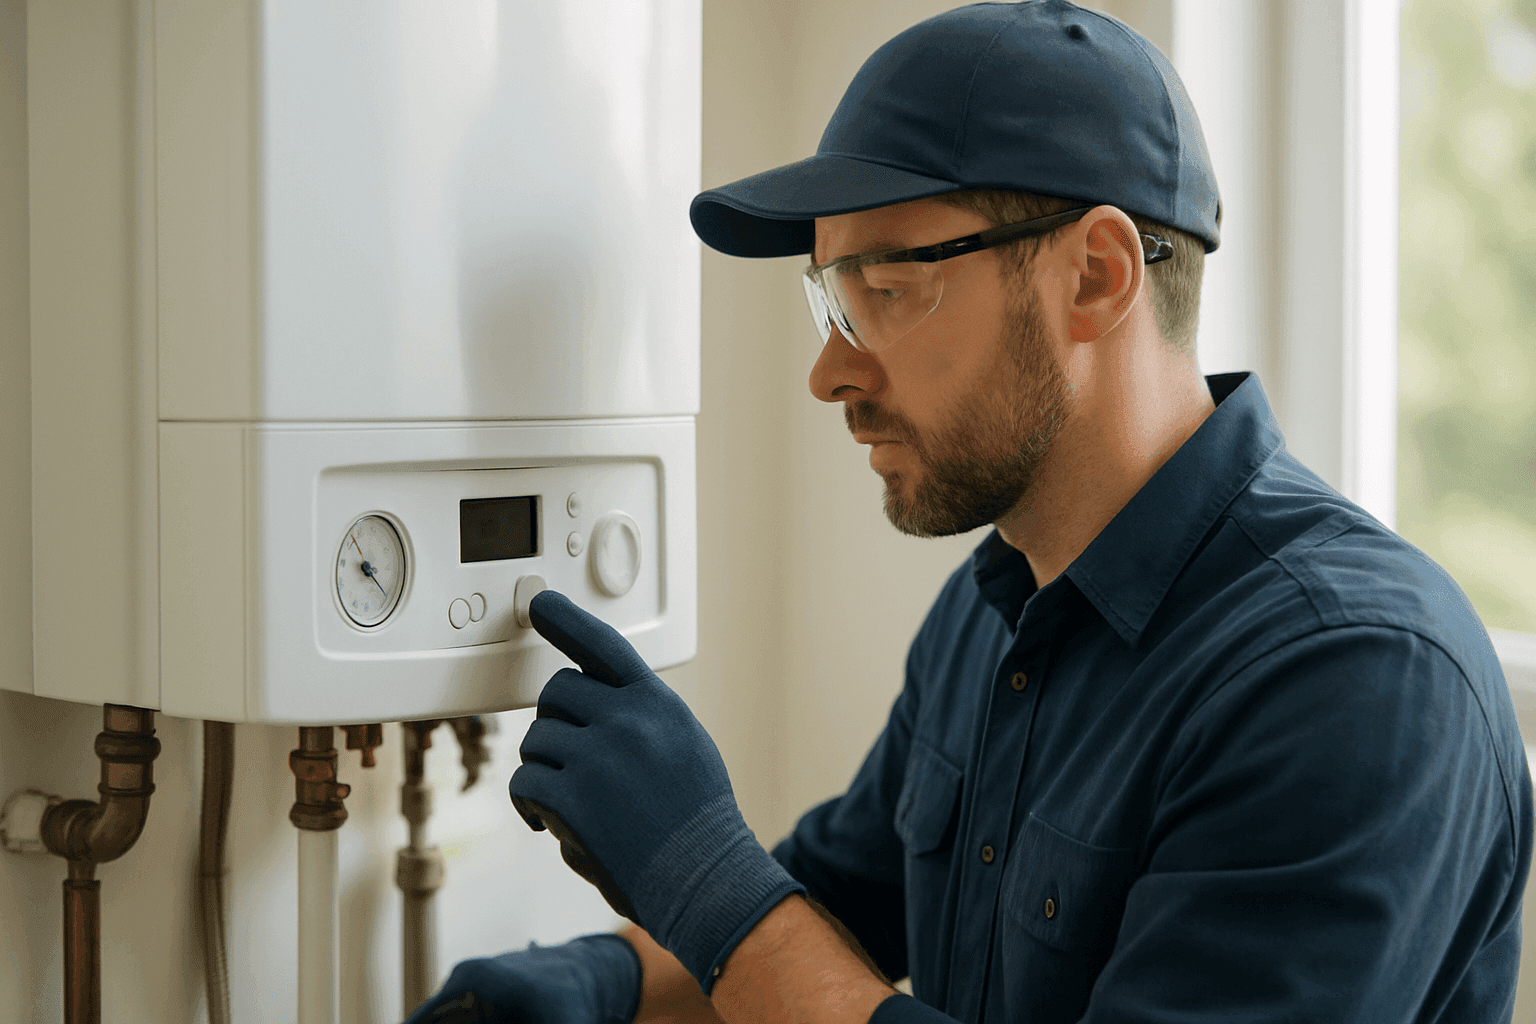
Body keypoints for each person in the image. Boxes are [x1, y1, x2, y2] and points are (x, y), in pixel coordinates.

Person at [407, 2, 1533, 1022]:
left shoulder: (1354, 680)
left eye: (883, 292)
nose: (828, 373)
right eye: (829, 297)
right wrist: (601, 980)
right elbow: (839, 909)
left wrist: (706, 880)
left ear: (1095, 275)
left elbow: (757, 928)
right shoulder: (1001, 598)